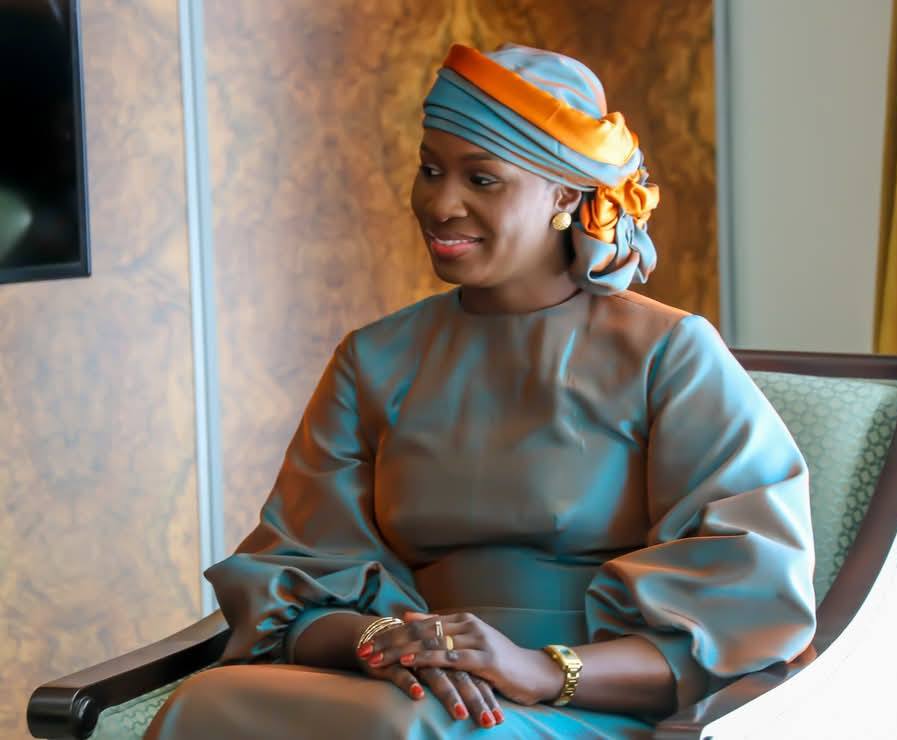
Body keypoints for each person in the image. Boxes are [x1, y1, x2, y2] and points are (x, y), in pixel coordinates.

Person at [146, 42, 816, 739]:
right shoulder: (372, 359)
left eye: (482, 179)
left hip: (579, 701)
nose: (440, 204)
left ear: (566, 194)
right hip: (412, 683)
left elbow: (747, 605)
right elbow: (292, 578)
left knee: (407, 727)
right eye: (430, 170)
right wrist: (383, 640)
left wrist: (540, 669)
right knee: (209, 702)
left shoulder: (669, 353)